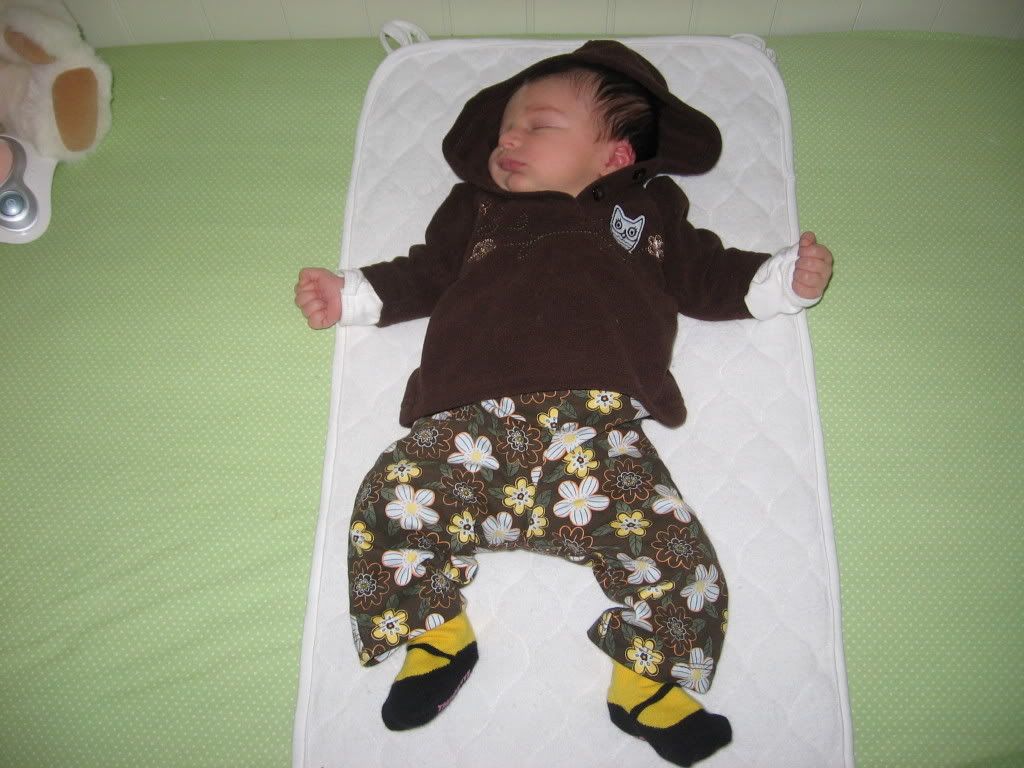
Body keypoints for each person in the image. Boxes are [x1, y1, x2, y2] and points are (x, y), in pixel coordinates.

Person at [295, 40, 832, 767]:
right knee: (388, 501)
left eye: (538, 126)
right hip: (466, 427)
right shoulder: (479, 209)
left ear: (615, 157)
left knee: (680, 558)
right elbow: (422, 273)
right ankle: (435, 634)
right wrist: (350, 294)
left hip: (594, 437)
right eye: (504, 131)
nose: (509, 141)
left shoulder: (646, 215)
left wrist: (784, 281)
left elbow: (708, 275)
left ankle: (645, 680)